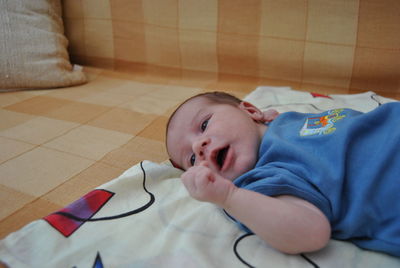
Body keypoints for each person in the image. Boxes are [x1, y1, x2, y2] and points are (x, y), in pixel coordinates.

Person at [166, 91, 400, 257]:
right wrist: (228, 197)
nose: (199, 146)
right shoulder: (261, 183)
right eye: (192, 159)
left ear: (251, 111)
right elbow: (310, 233)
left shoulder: (287, 122)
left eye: (204, 125)